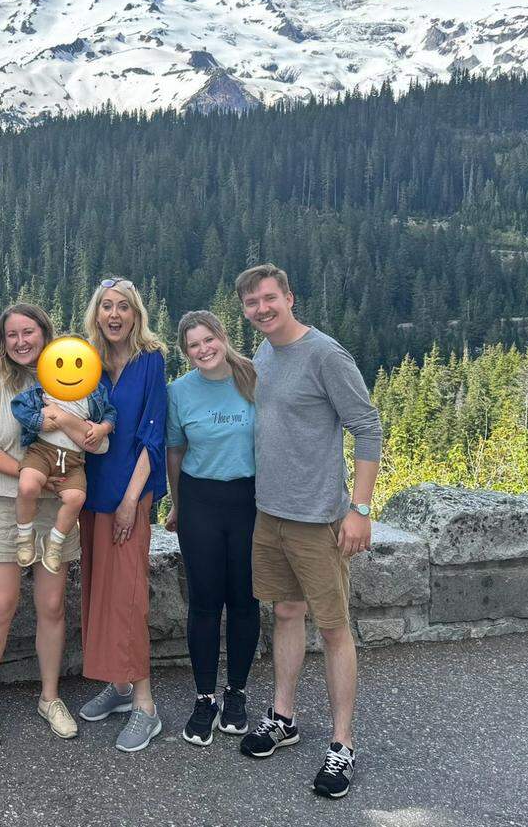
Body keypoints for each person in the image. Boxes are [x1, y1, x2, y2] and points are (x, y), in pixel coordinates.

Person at [234, 263, 382, 800]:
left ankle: (342, 745)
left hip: (320, 519)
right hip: (269, 514)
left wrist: (359, 509)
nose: (262, 309)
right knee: (287, 613)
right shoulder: (265, 356)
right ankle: (284, 718)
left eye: (270, 299)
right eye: (252, 304)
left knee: (336, 629)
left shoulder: (325, 354)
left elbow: (367, 426)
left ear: (289, 297)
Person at [0, 305, 105, 745]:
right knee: (1, 605)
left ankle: (49, 697)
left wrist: (67, 425)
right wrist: (32, 476)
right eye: (12, 335)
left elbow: (95, 440)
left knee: (51, 606)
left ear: (45, 333)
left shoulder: (71, 373)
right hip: (8, 503)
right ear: (2, 341)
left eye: (29, 332)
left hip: (57, 508)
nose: (21, 341)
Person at [76, 277, 168, 753]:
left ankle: (145, 707)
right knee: (101, 590)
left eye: (124, 308)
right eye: (107, 306)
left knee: (129, 596)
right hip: (91, 493)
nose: (115, 315)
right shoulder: (86, 362)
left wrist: (133, 499)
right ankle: (119, 684)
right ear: (97, 313)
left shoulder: (150, 360)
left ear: (136, 315)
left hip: (129, 493)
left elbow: (154, 436)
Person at [165, 310, 260, 747]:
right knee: (204, 604)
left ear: (223, 337)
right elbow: (175, 453)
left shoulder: (253, 379)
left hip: (250, 501)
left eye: (209, 340)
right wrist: (177, 505)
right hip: (200, 501)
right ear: (186, 352)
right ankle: (204, 698)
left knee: (244, 601)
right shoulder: (179, 392)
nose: (203, 350)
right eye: (193, 345)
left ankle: (236, 693)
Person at [10, 352, 115, 574]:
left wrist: (103, 428)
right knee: (28, 485)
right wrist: (39, 422)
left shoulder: (94, 392)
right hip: (41, 452)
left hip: (74, 460)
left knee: (76, 498)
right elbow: (19, 405)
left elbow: (110, 413)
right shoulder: (44, 389)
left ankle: (54, 542)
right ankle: (25, 536)